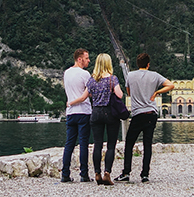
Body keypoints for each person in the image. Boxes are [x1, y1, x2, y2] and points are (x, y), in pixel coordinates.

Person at [114, 52, 174, 183]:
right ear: (148, 64)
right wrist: (157, 92)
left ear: (137, 64)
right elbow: (171, 85)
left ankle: (126, 173)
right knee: (148, 144)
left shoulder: (130, 76)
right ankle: (145, 174)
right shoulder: (155, 75)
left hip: (138, 114)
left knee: (129, 144)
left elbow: (129, 92)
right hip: (151, 114)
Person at [85, 53, 124, 185]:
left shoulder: (91, 80)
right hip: (110, 113)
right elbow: (119, 94)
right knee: (111, 145)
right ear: (108, 64)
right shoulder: (112, 79)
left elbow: (88, 94)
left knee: (97, 144)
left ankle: (97, 173)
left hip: (95, 112)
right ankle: (107, 172)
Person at [61, 48, 91, 183]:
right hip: (83, 111)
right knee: (83, 144)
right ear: (80, 59)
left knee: (69, 144)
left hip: (71, 112)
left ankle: (65, 174)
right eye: (86, 58)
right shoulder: (85, 74)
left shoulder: (66, 73)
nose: (89, 60)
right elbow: (89, 93)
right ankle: (84, 174)